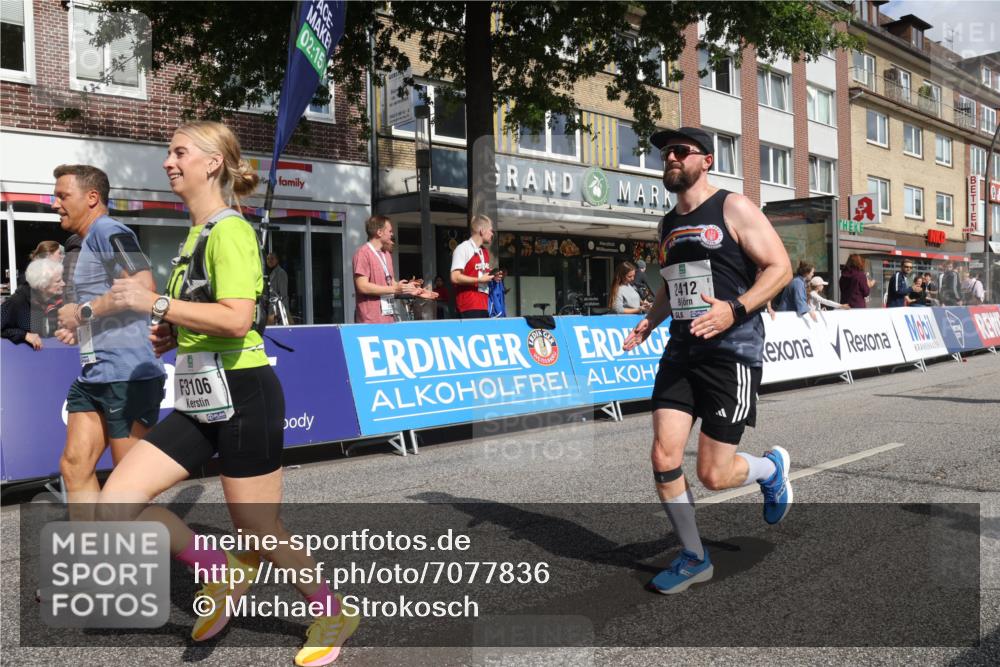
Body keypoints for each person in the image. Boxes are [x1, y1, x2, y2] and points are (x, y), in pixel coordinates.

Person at [101, 121, 358, 665]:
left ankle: (332, 611)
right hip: (200, 397)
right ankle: (218, 570)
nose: (168, 162)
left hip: (244, 394)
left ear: (212, 162)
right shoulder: (196, 234)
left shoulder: (231, 231)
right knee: (116, 503)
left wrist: (156, 305)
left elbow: (238, 320)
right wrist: (175, 334)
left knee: (258, 531)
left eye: (179, 152)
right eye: (168, 152)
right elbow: (209, 315)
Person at [622, 126, 793, 595]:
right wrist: (650, 321)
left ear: (706, 160)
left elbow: (780, 268)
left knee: (714, 475)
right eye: (665, 153)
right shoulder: (666, 225)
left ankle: (770, 470)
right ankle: (695, 557)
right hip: (681, 349)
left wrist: (734, 309)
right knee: (663, 455)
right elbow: (671, 283)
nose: (671, 158)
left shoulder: (733, 207)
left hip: (731, 352)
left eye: (680, 151)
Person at [47, 164, 166, 517]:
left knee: (127, 491)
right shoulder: (88, 242)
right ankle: (93, 549)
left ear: (92, 197)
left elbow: (143, 286)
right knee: (74, 466)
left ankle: (199, 553)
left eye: (63, 196)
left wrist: (82, 313)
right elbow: (106, 304)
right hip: (95, 375)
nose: (55, 204)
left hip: (127, 376)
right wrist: (80, 328)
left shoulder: (108, 230)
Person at [351, 215, 432, 323]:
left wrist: (410, 289)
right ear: (379, 232)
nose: (392, 234)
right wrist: (395, 289)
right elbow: (362, 286)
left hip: (388, 318)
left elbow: (391, 284)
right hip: (370, 320)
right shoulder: (363, 253)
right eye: (389, 231)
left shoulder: (386, 254)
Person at [1, 257, 65, 349]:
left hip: (52, 354)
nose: (63, 284)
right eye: (58, 281)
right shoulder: (18, 302)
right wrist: (24, 335)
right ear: (43, 285)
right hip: (25, 356)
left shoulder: (57, 300)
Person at [451, 214, 504, 319]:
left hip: (484, 304)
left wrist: (492, 277)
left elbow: (479, 274)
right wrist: (479, 279)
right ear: (482, 231)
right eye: (490, 230)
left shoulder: (484, 251)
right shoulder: (463, 248)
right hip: (468, 305)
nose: (492, 234)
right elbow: (455, 277)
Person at [265, 252, 290, 323]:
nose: (269, 261)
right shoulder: (266, 272)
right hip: (267, 308)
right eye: (268, 259)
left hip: (277, 309)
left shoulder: (281, 273)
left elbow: (283, 295)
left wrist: (280, 312)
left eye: (272, 259)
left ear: (277, 260)